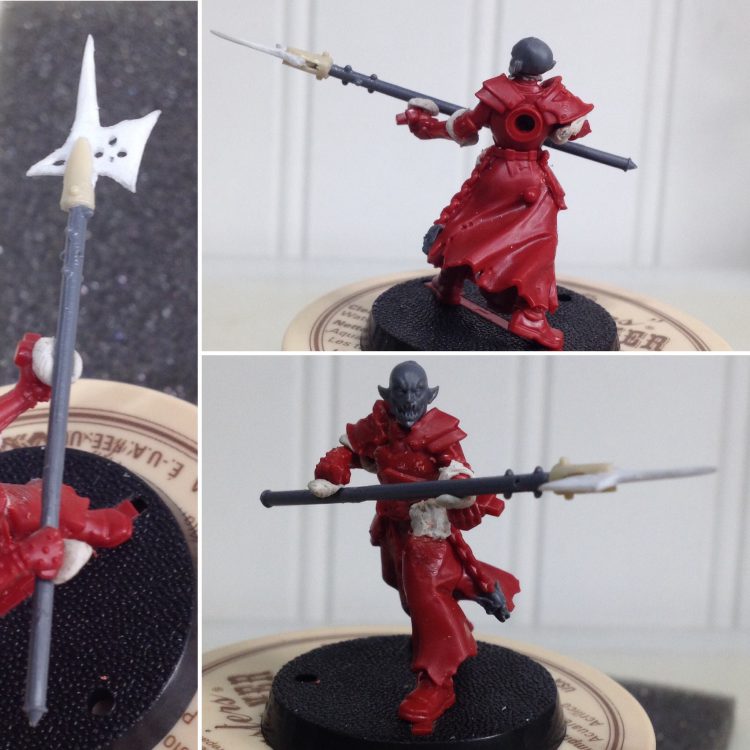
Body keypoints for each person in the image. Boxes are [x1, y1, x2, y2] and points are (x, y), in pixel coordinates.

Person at [308, 361, 520, 735]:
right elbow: (353, 450)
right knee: (405, 590)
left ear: (428, 395)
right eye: (401, 392)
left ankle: (437, 682)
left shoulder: (440, 433)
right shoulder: (380, 424)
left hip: (428, 526)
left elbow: (458, 470)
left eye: (416, 392)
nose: (409, 400)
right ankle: (470, 594)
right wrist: (334, 471)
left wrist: (456, 486)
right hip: (393, 524)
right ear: (389, 395)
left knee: (425, 598)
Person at [402, 37, 593, 350]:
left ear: (515, 62)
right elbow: (579, 127)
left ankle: (449, 284)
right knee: (537, 244)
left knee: (470, 225)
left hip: (497, 174)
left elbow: (464, 128)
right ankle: (531, 316)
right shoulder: (554, 98)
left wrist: (424, 124)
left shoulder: (497, 94)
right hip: (530, 181)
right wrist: (564, 129)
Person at [0, 332, 137, 616]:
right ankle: (53, 558)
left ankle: (91, 528)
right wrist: (24, 557)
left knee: (58, 510)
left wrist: (26, 392)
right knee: (41, 552)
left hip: (7, 508)